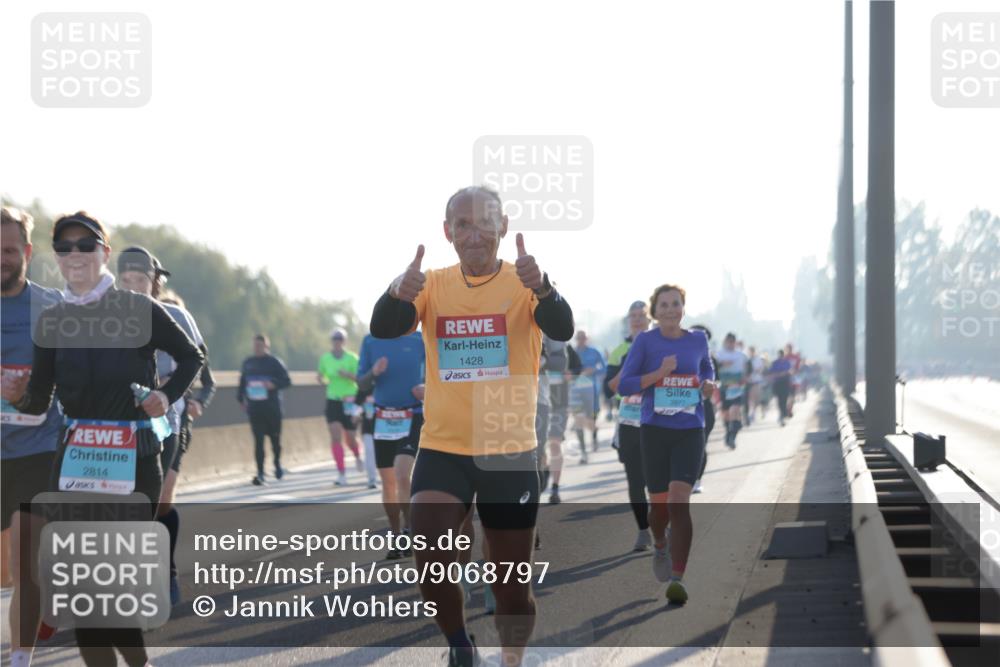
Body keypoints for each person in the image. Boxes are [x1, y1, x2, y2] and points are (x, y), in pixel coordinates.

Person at [369, 185, 574, 667]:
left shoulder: (525, 280)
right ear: (448, 233)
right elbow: (385, 326)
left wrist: (545, 288)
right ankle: (461, 646)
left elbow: (561, 326)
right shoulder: (432, 285)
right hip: (444, 449)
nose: (474, 234)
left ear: (503, 226)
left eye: (485, 222)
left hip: (508, 449)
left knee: (510, 587)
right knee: (430, 558)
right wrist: (395, 292)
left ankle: (511, 659)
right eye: (463, 225)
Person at [1, 211, 203, 667]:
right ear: (56, 257)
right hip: (75, 463)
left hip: (134, 462)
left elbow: (192, 356)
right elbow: (39, 401)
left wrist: (165, 395)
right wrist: (17, 396)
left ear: (104, 253)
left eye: (85, 246)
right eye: (65, 247)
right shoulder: (52, 321)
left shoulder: (138, 309)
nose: (75, 254)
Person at [117, 247, 217, 606]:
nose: (133, 287)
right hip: (119, 427)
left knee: (158, 501)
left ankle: (165, 572)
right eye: (125, 280)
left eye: (140, 280)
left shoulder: (174, 315)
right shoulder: (103, 315)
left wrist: (169, 393)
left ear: (154, 283)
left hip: (167, 424)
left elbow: (197, 360)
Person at [618, 284, 715, 605]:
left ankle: (678, 578)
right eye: (664, 305)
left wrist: (708, 384)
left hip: (690, 429)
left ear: (683, 308)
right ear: (655, 311)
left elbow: (706, 368)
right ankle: (660, 542)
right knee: (658, 510)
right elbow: (625, 385)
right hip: (655, 430)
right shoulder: (645, 342)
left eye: (676, 304)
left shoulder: (697, 339)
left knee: (679, 502)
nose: (671, 309)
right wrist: (659, 373)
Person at [1, 206, 62, 667]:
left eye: (8, 250)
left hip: (37, 449)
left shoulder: (51, 306)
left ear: (26, 251)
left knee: (25, 563)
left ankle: (20, 659)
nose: (1, 259)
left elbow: (78, 372)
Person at [356, 330, 425, 557]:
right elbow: (361, 383)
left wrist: (427, 389)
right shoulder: (370, 340)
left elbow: (439, 371)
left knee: (402, 474)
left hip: (412, 415)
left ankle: (409, 530)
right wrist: (373, 372)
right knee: (388, 483)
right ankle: (396, 537)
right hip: (383, 418)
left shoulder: (419, 339)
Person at [606, 300, 652, 551]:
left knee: (659, 480)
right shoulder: (619, 351)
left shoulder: (662, 344)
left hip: (658, 422)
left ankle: (663, 525)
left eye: (641, 315)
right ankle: (643, 531)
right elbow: (609, 389)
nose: (636, 319)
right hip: (629, 423)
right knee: (635, 481)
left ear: (650, 318)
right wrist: (630, 361)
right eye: (632, 315)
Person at [238, 334, 291, 485]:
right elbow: (242, 383)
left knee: (275, 440)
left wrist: (273, 384)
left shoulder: (275, 362)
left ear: (266, 346)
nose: (257, 348)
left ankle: (277, 464)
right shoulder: (248, 363)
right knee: (258, 441)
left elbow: (287, 381)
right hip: (255, 408)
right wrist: (241, 399)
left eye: (260, 346)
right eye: (255, 345)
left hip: (272, 408)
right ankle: (260, 472)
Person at [317, 329, 364, 486]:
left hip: (350, 400)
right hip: (333, 400)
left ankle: (357, 455)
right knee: (336, 437)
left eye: (340, 339)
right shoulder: (325, 358)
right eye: (334, 339)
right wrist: (320, 379)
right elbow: (322, 375)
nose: (337, 341)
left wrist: (347, 375)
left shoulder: (352, 358)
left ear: (344, 341)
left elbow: (361, 379)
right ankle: (341, 473)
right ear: (332, 341)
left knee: (350, 438)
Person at [544, 335, 582, 490]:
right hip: (537, 403)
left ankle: (555, 486)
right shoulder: (531, 342)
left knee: (555, 443)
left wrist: (571, 373)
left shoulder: (565, 346)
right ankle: (545, 469)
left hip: (560, 403)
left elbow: (578, 368)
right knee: (539, 447)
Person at [688, 324, 718, 494]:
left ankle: (697, 480)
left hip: (703, 407)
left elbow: (714, 382)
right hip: (680, 407)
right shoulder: (678, 355)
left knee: (700, 445)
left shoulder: (710, 360)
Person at [571, 330, 606, 453]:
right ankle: (583, 451)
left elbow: (604, 368)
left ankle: (594, 439)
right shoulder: (571, 353)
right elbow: (565, 370)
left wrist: (594, 370)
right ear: (576, 339)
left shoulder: (595, 351)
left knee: (592, 418)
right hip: (576, 392)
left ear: (587, 339)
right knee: (578, 420)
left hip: (592, 391)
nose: (581, 340)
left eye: (583, 338)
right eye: (579, 338)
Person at [715, 333, 748, 449]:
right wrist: (722, 364)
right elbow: (714, 368)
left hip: (736, 387)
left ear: (735, 342)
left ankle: (732, 436)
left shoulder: (741, 355)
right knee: (725, 413)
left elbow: (746, 370)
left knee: (735, 409)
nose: (730, 344)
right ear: (725, 342)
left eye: (732, 342)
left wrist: (744, 379)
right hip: (723, 386)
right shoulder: (719, 354)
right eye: (728, 341)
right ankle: (728, 432)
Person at [769, 349, 794, 426]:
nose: (780, 357)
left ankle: (783, 415)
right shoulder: (774, 363)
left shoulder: (787, 362)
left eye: (781, 355)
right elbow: (771, 372)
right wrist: (780, 374)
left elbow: (790, 371)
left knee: (785, 399)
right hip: (777, 383)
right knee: (779, 400)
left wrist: (786, 373)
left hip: (785, 383)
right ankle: (781, 414)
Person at [746, 346, 765, 424]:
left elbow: (760, 369)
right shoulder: (747, 359)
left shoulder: (758, 360)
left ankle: (753, 412)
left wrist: (755, 370)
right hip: (749, 382)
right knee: (751, 399)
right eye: (750, 351)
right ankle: (751, 413)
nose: (751, 353)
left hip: (757, 381)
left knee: (756, 399)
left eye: (752, 351)